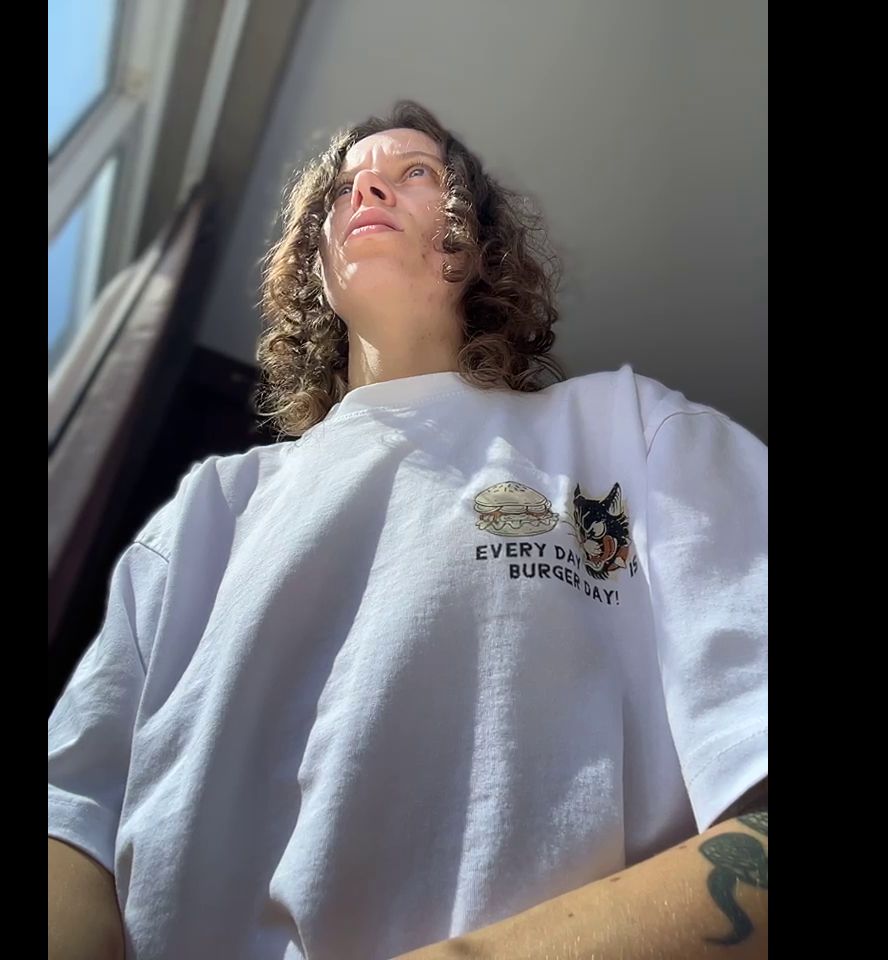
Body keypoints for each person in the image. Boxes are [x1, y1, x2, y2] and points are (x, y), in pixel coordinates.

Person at [48, 100, 767, 960]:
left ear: (479, 241)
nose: (368, 189)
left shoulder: (632, 436)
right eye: (342, 188)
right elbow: (71, 829)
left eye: (414, 172)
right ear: (315, 264)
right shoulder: (206, 515)